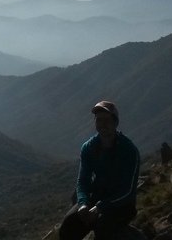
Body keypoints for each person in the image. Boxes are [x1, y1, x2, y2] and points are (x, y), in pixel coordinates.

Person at [59, 100, 140, 240]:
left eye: (107, 120)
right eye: (99, 120)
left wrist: (101, 206)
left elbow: (127, 190)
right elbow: (83, 180)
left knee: (103, 226)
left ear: (116, 123)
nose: (103, 124)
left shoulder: (128, 150)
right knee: (68, 225)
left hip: (122, 204)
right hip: (97, 198)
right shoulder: (89, 147)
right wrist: (83, 204)